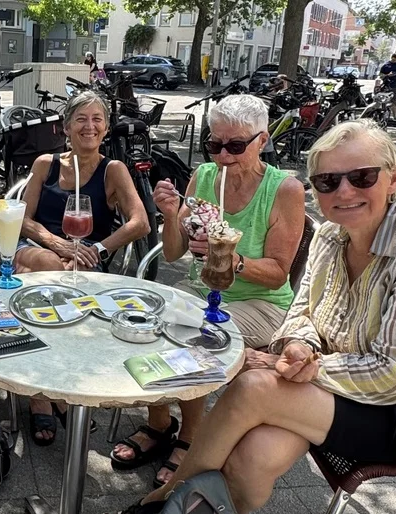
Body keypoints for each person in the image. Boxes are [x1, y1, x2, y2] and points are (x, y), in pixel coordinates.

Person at [83, 120, 396, 514]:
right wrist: (298, 347)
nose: (344, 192)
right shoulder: (332, 234)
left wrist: (287, 365)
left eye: (362, 177)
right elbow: (303, 312)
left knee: (254, 384)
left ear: (394, 178)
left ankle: (146, 513)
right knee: (252, 458)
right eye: (328, 181)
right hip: (344, 386)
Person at [109, 94, 305, 488]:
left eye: (235, 146)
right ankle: (160, 423)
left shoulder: (285, 189)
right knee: (145, 327)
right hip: (202, 291)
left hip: (261, 302)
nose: (224, 157)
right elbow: (175, 251)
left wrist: (235, 261)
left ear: (262, 140)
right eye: (214, 145)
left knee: (194, 342)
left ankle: (191, 437)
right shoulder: (205, 177)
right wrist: (168, 214)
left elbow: (279, 273)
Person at [14, 89, 152, 445]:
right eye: (81, 119)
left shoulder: (113, 169)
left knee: (43, 289)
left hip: (87, 257)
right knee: (46, 269)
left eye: (97, 119)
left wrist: (98, 247)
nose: (89, 126)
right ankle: (49, 396)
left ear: (106, 128)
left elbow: (140, 223)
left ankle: (44, 390)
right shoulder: (45, 164)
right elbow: (23, 220)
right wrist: (56, 243)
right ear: (65, 127)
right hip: (36, 249)